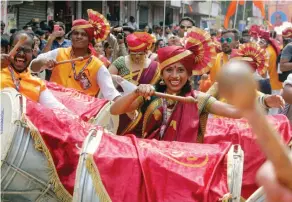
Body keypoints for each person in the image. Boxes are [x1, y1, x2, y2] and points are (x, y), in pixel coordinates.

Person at [30, 9, 120, 101]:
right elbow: (33, 67)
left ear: (89, 40)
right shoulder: (59, 53)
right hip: (54, 108)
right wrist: (43, 62)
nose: (79, 37)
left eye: (83, 34)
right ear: (70, 37)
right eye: (75, 33)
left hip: (82, 112)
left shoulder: (98, 65)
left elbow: (111, 93)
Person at [0, 31, 68, 111]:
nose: (21, 54)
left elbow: (58, 109)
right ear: (8, 49)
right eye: (17, 49)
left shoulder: (37, 84)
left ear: (32, 52)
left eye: (27, 50)